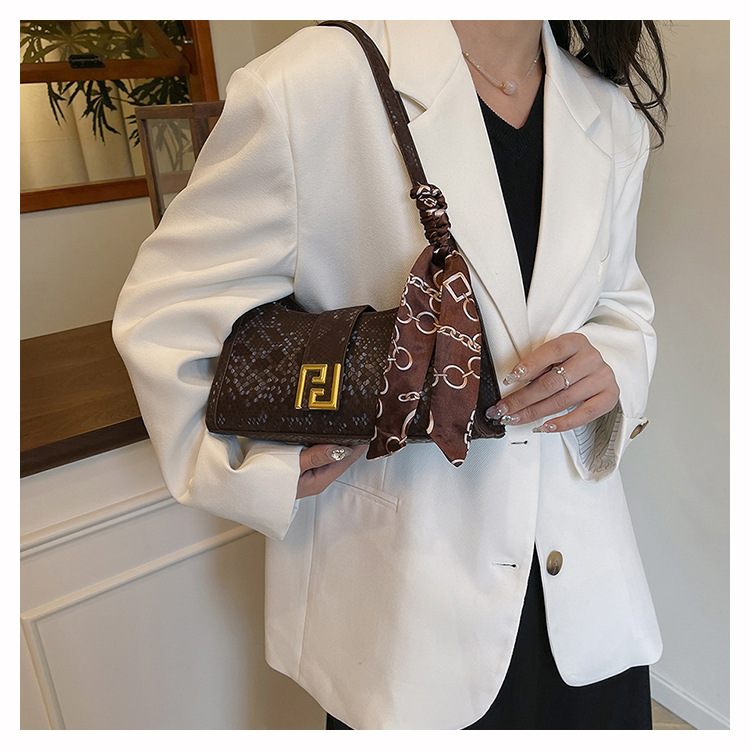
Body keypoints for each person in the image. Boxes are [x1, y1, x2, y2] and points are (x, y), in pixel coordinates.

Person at [113, 20, 669, 730]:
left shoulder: (608, 114)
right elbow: (163, 315)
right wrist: (258, 467)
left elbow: (622, 302)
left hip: (587, 601)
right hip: (408, 608)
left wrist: (614, 363)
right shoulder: (314, 83)